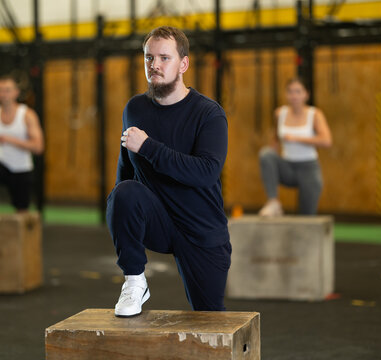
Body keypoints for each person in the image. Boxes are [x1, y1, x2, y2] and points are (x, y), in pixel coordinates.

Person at [106, 26, 231, 317]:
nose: (155, 66)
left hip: (200, 229)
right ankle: (135, 281)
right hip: (159, 222)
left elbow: (206, 172)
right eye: (149, 58)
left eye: (164, 58)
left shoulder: (208, 114)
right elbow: (125, 170)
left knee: (210, 319)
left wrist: (148, 146)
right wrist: (120, 214)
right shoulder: (135, 109)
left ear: (183, 64)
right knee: (124, 193)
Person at [0, 74, 44, 216]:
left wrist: (12, 140)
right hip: (0, 166)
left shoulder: (27, 115)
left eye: (7, 90)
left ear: (16, 92)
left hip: (21, 169)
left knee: (22, 213)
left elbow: (38, 147)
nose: (3, 94)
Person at [258, 78, 332, 216]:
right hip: (287, 166)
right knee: (266, 154)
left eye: (298, 92)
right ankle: (273, 202)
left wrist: (296, 138)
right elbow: (275, 139)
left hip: (308, 168)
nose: (294, 96)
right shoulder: (280, 113)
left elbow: (326, 141)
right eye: (290, 92)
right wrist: (271, 165)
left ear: (306, 94)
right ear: (286, 94)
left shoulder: (315, 114)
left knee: (306, 217)